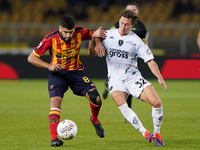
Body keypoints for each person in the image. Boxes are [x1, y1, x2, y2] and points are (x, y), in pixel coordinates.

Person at [90, 10, 167, 146]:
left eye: (126, 24)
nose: (123, 26)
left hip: (133, 78)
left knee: (157, 103)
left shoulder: (136, 41)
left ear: (132, 25)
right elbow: (95, 39)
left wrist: (159, 77)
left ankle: (157, 133)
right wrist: (97, 42)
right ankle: (145, 132)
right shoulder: (108, 34)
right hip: (115, 80)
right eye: (121, 23)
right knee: (121, 102)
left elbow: (150, 61)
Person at [27, 16, 106, 147]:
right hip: (57, 74)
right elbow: (31, 58)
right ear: (60, 29)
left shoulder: (80, 32)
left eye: (71, 32)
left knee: (96, 98)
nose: (69, 35)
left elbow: (95, 34)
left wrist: (97, 42)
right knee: (55, 102)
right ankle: (54, 139)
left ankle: (95, 119)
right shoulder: (50, 38)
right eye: (65, 32)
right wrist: (49, 66)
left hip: (76, 72)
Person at [102, 2, 149, 121]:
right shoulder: (116, 26)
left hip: (132, 58)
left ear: (137, 12)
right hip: (117, 58)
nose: (132, 11)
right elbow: (110, 39)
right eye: (130, 10)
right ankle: (112, 86)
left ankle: (110, 87)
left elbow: (144, 42)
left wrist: (144, 54)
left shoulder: (142, 27)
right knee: (123, 83)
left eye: (134, 10)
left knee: (130, 84)